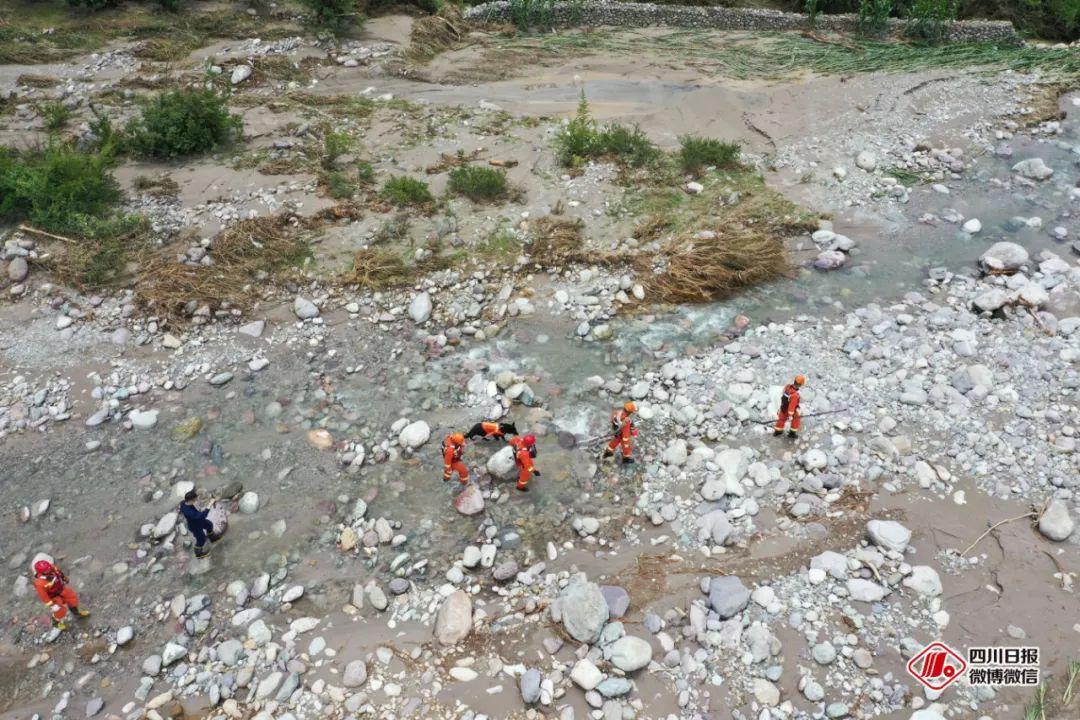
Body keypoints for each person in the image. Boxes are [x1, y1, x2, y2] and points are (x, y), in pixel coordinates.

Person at [33, 559, 89, 630]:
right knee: (60, 610)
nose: (50, 570)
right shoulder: (39, 583)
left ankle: (76, 612)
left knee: (72, 598)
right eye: (47, 570)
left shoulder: (52, 568)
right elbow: (43, 596)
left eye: (49, 567)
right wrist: (52, 605)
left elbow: (59, 573)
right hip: (53, 596)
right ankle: (56, 622)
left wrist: (65, 578)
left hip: (61, 588)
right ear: (42, 572)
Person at [179, 489, 222, 559]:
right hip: (195, 526)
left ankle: (212, 537)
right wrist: (210, 505)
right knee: (201, 539)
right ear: (191, 500)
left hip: (198, 520)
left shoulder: (183, 502)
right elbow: (202, 516)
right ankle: (198, 553)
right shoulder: (189, 512)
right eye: (195, 499)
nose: (196, 500)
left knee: (209, 524)